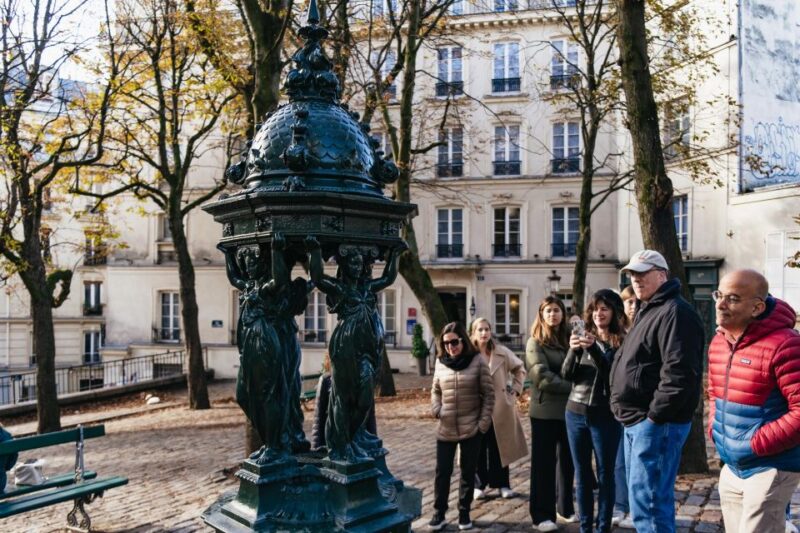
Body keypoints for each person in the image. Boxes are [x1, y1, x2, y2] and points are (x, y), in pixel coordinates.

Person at [609, 250, 704, 533]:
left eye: (642, 273)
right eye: (632, 274)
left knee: (649, 505)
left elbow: (679, 374)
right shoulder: (649, 308)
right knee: (645, 503)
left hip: (654, 424)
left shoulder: (674, 311)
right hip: (639, 422)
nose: (635, 279)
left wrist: (654, 418)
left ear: (662, 275)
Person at [707, 269, 800, 533]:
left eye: (733, 298)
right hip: (732, 465)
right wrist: (716, 428)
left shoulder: (786, 344)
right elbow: (714, 393)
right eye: (719, 295)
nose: (720, 304)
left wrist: (756, 442)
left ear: (758, 307)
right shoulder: (719, 342)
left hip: (771, 466)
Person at [306, 238, 402, 461]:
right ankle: (341, 444)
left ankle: (354, 434)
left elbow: (388, 277)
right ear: (345, 266)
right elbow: (318, 278)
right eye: (353, 264)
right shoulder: (340, 289)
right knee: (342, 396)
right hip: (345, 348)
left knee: (365, 396)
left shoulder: (368, 287)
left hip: (367, 351)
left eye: (360, 264)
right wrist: (315, 251)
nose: (358, 268)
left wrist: (395, 254)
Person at [561, 290, 626, 533]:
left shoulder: (622, 341)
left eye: (605, 308)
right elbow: (567, 375)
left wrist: (594, 349)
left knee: (605, 473)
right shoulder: (582, 337)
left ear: (615, 313)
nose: (599, 313)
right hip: (575, 412)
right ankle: (585, 527)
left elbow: (613, 375)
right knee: (582, 474)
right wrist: (574, 350)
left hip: (605, 415)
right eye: (596, 308)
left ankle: (602, 528)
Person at [429, 322, 495, 531]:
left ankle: (464, 513)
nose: (450, 347)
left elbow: (489, 395)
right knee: (443, 472)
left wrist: (482, 424)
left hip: (471, 427)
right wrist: (437, 409)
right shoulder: (440, 362)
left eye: (454, 342)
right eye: (446, 343)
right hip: (446, 428)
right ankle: (439, 513)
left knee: (467, 473)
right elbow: (435, 390)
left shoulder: (477, 361)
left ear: (463, 341)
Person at [526, 296, 576, 532]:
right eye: (548, 311)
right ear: (541, 314)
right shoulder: (535, 342)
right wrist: (574, 388)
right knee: (543, 464)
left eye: (557, 310)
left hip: (570, 410)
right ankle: (541, 514)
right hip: (545, 412)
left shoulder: (570, 339)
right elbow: (542, 376)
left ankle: (565, 507)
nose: (553, 315)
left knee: (568, 462)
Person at [469, 317, 528, 501]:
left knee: (500, 446)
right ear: (474, 332)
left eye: (487, 329)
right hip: (476, 408)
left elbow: (520, 368)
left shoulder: (501, 352)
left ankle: (502, 484)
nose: (484, 333)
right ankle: (479, 485)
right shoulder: (468, 354)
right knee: (477, 447)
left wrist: (515, 390)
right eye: (480, 329)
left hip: (500, 407)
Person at [612, 285, 636, 528]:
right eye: (628, 302)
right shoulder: (616, 333)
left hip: (639, 405)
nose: (633, 305)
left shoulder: (647, 326)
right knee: (618, 459)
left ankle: (634, 507)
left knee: (635, 460)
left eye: (636, 301)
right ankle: (620, 505)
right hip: (617, 403)